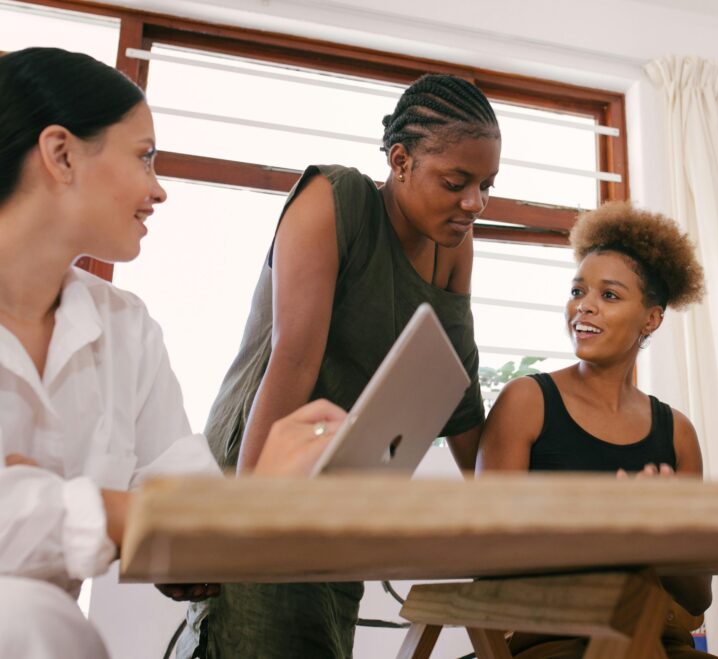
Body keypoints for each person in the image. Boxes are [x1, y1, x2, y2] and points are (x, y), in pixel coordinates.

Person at [0, 47, 347, 659]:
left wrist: (257, 501)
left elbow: (186, 518)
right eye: (144, 156)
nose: (158, 189)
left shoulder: (126, 328)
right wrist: (126, 516)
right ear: (61, 154)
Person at [180, 75, 501, 657]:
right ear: (400, 161)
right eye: (456, 183)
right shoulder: (334, 199)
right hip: (260, 472)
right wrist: (241, 524)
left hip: (341, 492)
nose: (473, 203)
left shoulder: (455, 243)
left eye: (486, 186)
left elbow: (459, 387)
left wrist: (508, 509)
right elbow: (293, 362)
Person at [477, 202, 715, 659]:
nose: (583, 305)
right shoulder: (526, 402)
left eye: (609, 295)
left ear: (651, 318)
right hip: (552, 642)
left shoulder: (677, 432)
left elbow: (696, 596)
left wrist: (665, 532)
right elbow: (488, 556)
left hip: (660, 644)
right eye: (577, 290)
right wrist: (611, 527)